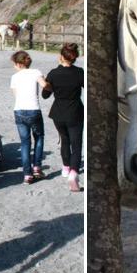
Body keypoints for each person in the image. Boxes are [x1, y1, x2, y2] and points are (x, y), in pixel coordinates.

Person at [42, 43, 85, 193]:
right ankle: (74, 173)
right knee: (77, 143)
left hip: (58, 113)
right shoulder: (80, 72)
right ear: (75, 57)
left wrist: (46, 84)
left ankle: (66, 168)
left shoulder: (53, 73)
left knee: (65, 140)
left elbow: (45, 95)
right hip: (75, 111)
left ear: (61, 56)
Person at [9, 50, 48, 183]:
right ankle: (37, 167)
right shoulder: (36, 72)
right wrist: (50, 86)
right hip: (34, 110)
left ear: (19, 64)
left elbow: (15, 94)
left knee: (25, 142)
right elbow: (44, 85)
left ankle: (27, 174)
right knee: (39, 137)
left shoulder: (14, 77)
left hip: (19, 110)